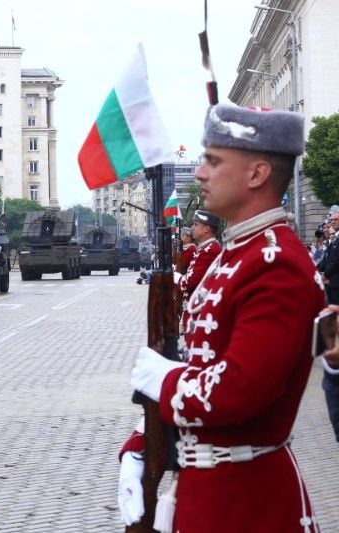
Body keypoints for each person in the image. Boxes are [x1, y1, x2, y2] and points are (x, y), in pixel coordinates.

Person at [121, 104, 324, 532]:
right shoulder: (238, 253)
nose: (199, 173)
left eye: (213, 161)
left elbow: (238, 389)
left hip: (249, 503)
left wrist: (165, 382)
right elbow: (204, 364)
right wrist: (142, 441)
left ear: (257, 175)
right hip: (206, 494)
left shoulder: (276, 263)